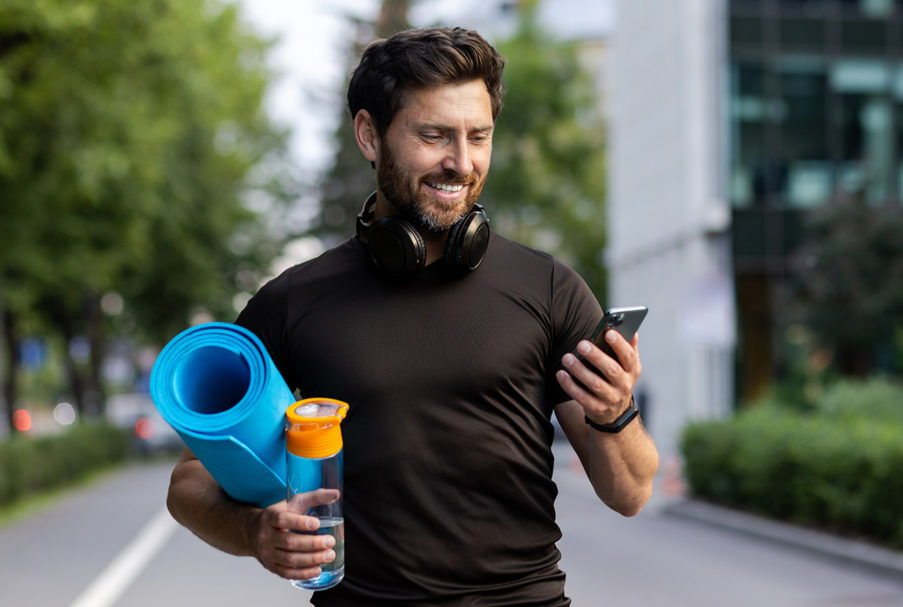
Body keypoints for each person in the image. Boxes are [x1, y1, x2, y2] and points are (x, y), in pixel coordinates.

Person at [166, 26, 658, 606]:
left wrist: (613, 412)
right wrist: (255, 533)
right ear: (369, 135)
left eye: (479, 137)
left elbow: (630, 492)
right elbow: (189, 481)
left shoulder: (551, 289)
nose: (462, 162)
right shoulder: (294, 301)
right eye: (434, 136)